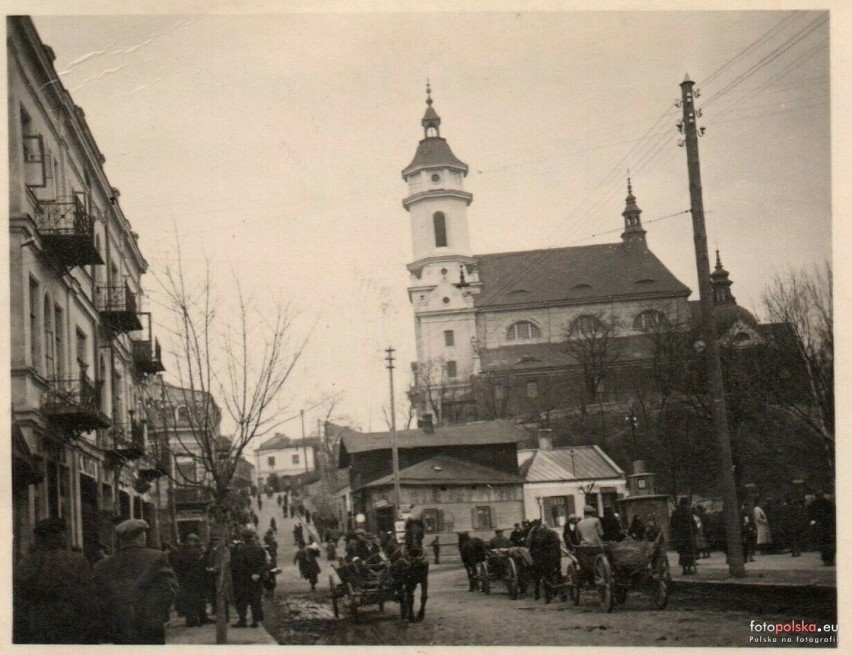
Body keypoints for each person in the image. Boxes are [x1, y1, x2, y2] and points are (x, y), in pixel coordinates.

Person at [13, 517, 101, 644]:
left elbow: (19, 598)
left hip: (36, 622)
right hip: (69, 621)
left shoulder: (25, 563)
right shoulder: (76, 560)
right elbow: (88, 595)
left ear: (38, 539)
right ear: (59, 536)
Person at [94, 519, 179, 644]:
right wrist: (155, 612)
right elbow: (170, 588)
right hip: (150, 624)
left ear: (120, 540)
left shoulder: (102, 565)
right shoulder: (156, 557)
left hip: (118, 625)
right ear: (142, 536)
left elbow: (99, 596)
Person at [170, 534, 209, 627]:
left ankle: (198, 618)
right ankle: (194, 620)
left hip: (189, 580)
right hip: (192, 580)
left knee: (194, 600)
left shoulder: (182, 551)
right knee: (193, 600)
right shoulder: (192, 552)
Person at [230, 529, 267, 628]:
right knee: (256, 600)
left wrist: (251, 574)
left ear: (245, 537)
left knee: (242, 600)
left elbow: (240, 565)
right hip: (257, 580)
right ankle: (255, 621)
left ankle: (243, 620)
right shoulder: (259, 548)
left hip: (244, 579)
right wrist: (258, 574)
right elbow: (263, 564)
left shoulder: (241, 549)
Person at [670, 497, 697, 575]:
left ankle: (684, 569)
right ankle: (688, 568)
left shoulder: (675, 512)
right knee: (689, 552)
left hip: (679, 535)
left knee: (682, 553)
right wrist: (694, 531)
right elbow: (692, 523)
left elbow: (672, 524)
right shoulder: (688, 512)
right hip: (688, 535)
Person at [808, 493, 835, 566]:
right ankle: (830, 559)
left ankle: (826, 559)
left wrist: (812, 522)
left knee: (823, 543)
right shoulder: (828, 503)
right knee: (829, 543)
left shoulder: (814, 504)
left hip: (820, 525)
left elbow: (810, 515)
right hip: (829, 525)